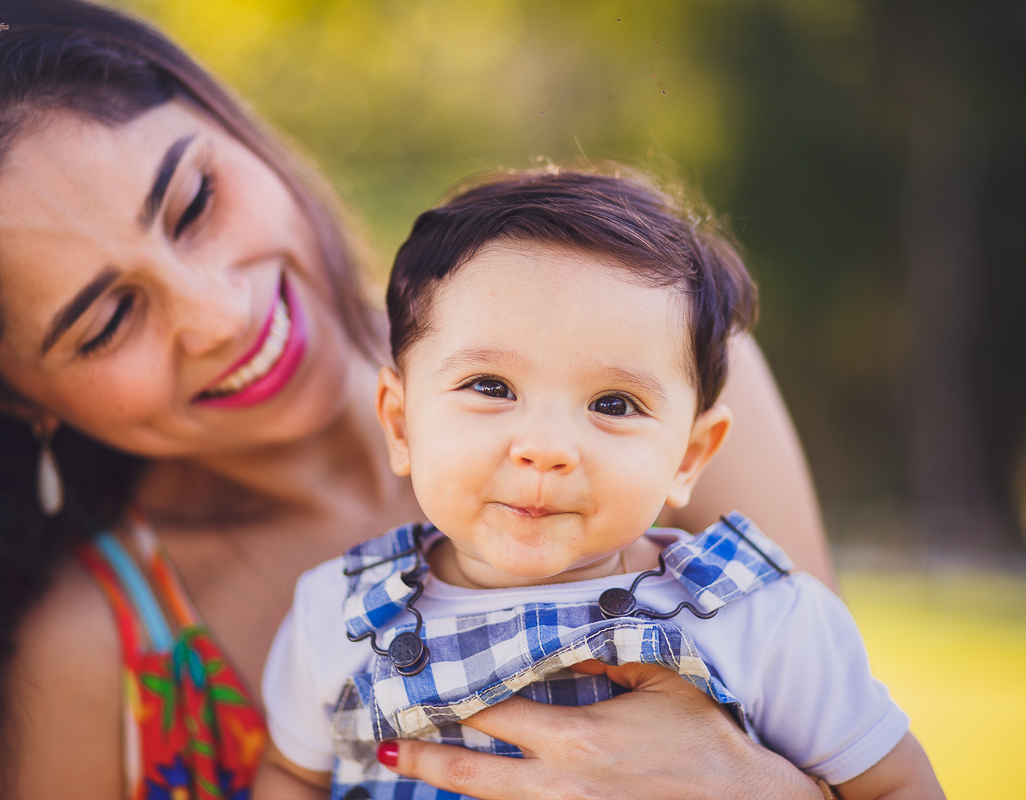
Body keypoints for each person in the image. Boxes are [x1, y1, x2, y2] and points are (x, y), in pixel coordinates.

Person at [0, 1, 837, 799]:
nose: (216, 312)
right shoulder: (97, 654)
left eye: (194, 201)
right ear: (4, 393)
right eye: (104, 321)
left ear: (230, 123)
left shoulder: (649, 378)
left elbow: (853, 752)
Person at [256, 171, 943, 800]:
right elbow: (293, 775)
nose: (547, 449)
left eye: (613, 404)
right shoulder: (341, 618)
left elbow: (895, 785)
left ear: (689, 455)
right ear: (402, 425)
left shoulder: (758, 621)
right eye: (491, 387)